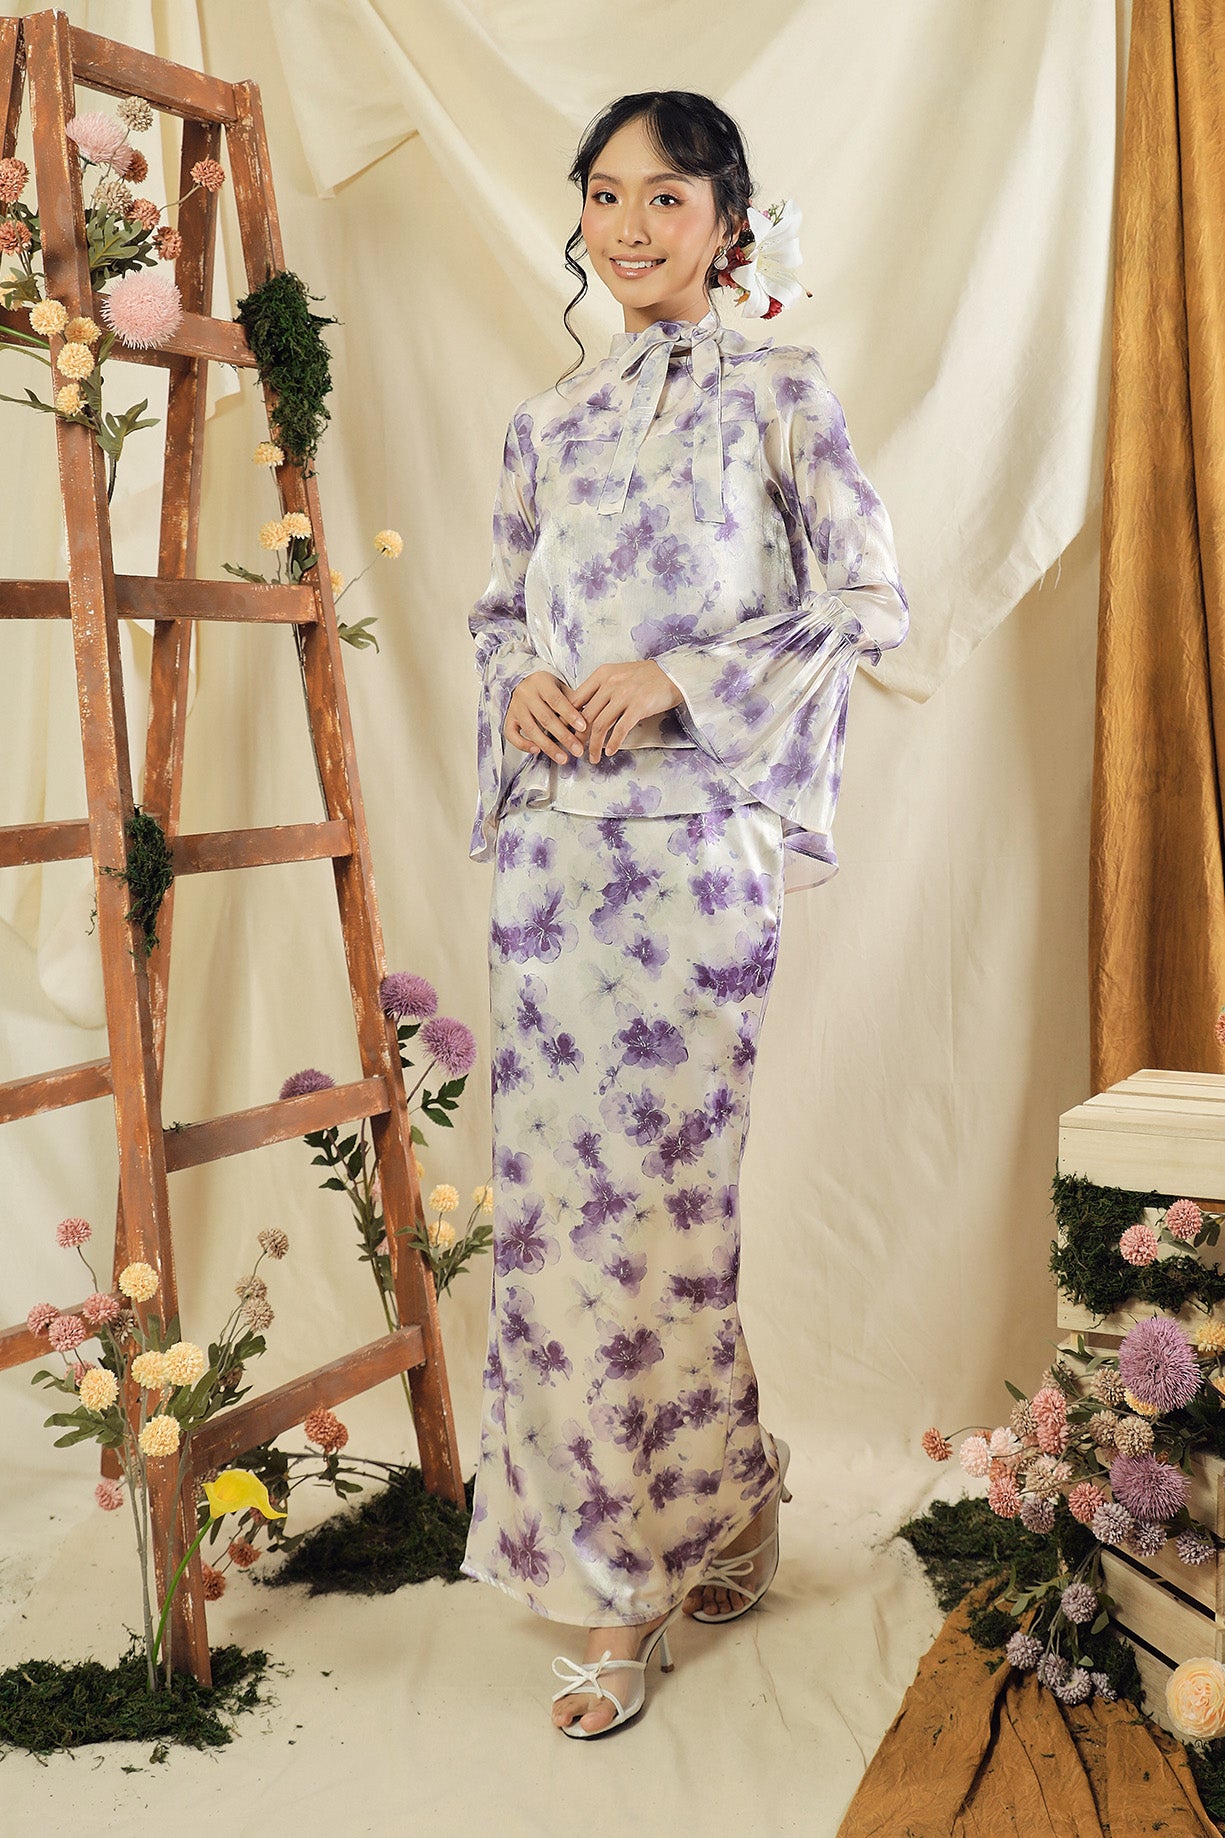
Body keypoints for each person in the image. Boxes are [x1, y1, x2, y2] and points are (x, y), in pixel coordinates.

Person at [459, 90, 908, 1739]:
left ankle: (632, 1577)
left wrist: (678, 677)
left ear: (728, 217)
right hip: (551, 874)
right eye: (603, 194)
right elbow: (496, 611)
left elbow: (869, 594)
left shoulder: (780, 393)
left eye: (664, 195)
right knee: (553, 1227)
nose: (629, 225)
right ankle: (695, 1513)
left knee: (660, 1218)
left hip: (694, 874)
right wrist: (520, 682)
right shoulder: (545, 424)